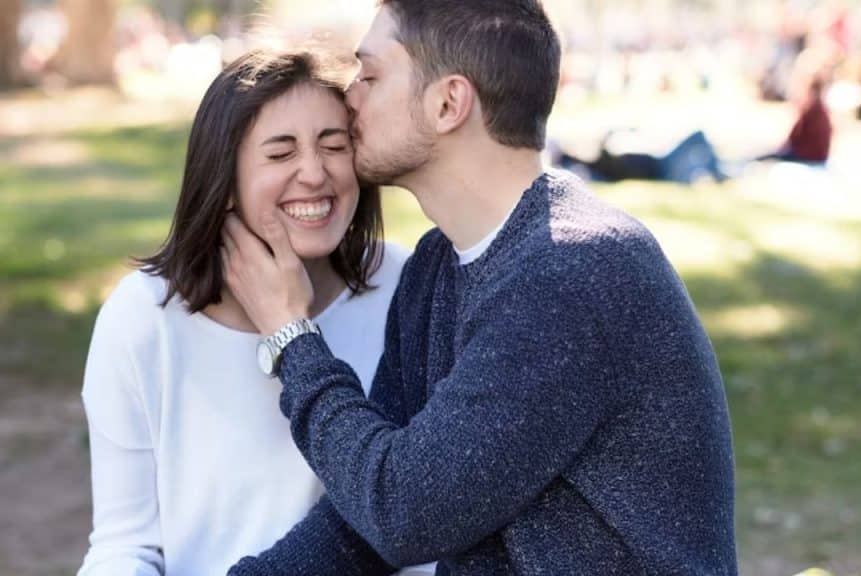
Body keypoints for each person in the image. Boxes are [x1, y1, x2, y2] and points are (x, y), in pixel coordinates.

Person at [221, 1, 738, 574]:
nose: (350, 99)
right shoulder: (436, 269)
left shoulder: (575, 271)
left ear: (448, 103)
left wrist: (292, 338)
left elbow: (404, 513)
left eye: (370, 75)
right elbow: (365, 519)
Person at [75, 50, 422, 576]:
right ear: (224, 180)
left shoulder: (404, 286)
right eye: (280, 154)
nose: (314, 172)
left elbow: (419, 523)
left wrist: (289, 326)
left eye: (334, 146)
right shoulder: (143, 317)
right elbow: (126, 547)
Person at [554, 129, 729, 184]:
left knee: (699, 160)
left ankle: (720, 172)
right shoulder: (599, 167)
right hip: (664, 168)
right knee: (698, 138)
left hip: (661, 160)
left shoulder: (601, 159)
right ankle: (720, 174)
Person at [759, 76, 833, 165]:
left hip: (807, 158)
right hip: (812, 157)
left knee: (764, 160)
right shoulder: (819, 110)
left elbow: (794, 139)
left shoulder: (813, 111)